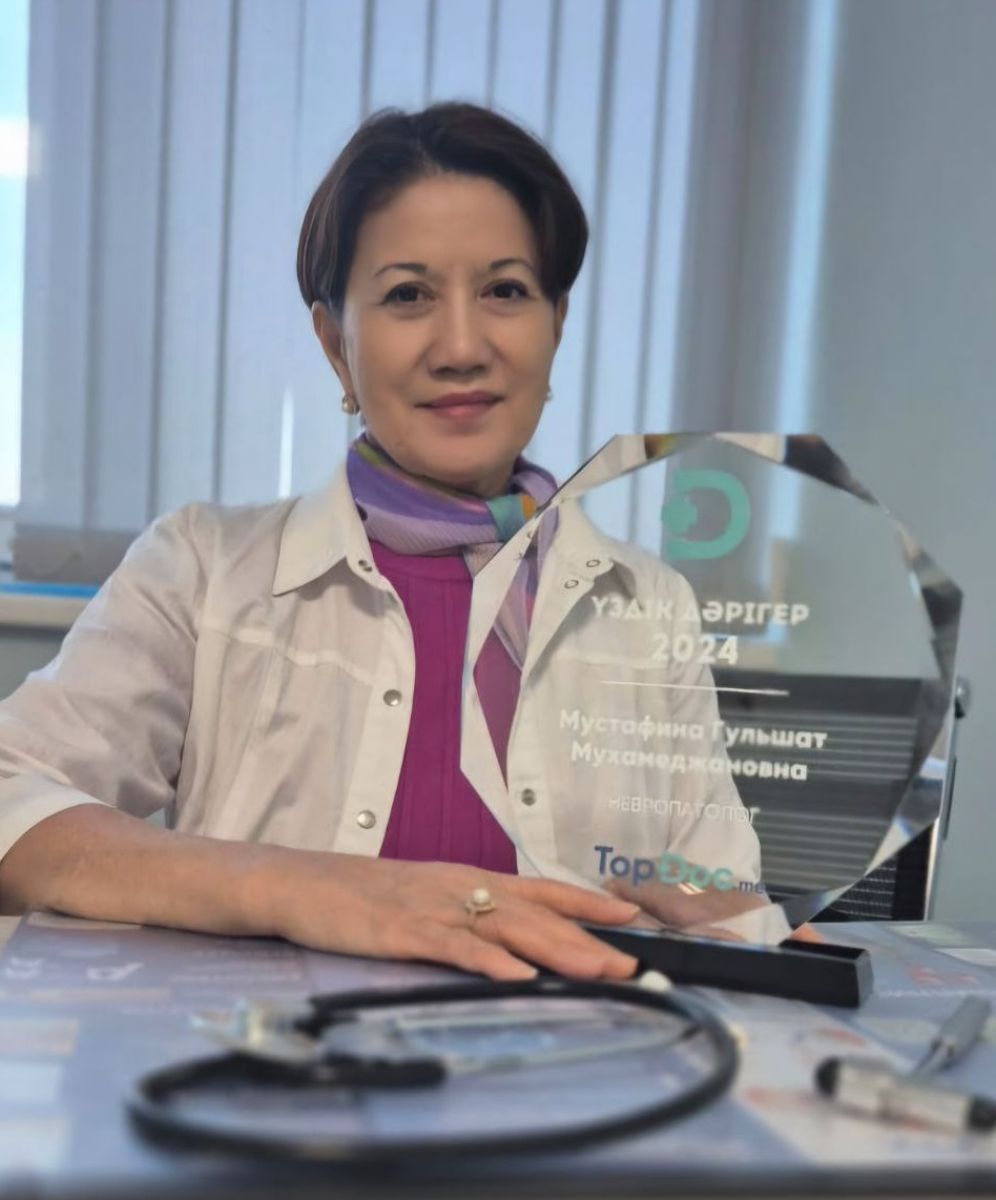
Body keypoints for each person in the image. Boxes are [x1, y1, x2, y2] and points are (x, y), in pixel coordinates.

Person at [0, 103, 766, 976]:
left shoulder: (647, 604)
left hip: (582, 1052)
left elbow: (716, 894)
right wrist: (301, 887)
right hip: (268, 1055)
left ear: (555, 324)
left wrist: (737, 925)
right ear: (337, 345)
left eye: (506, 291)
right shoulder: (201, 569)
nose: (462, 346)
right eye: (408, 295)